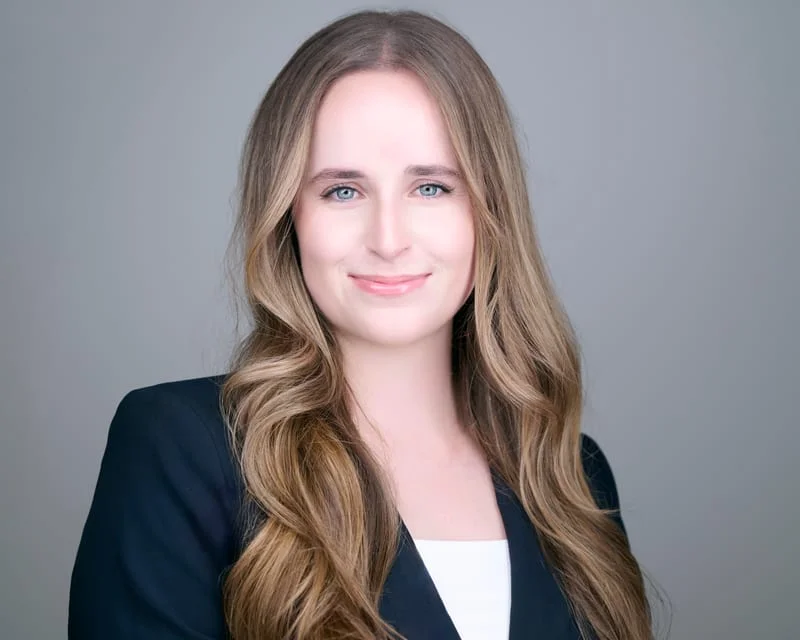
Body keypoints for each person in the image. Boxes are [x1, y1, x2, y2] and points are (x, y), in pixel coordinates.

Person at [69, 9, 653, 640]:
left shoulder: (569, 474)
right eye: (342, 191)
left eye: (431, 187)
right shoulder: (185, 448)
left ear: (489, 211)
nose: (389, 239)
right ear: (289, 216)